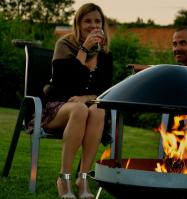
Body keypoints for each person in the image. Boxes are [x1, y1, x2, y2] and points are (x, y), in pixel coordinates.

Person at [43, 3, 113, 198]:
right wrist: (84, 49)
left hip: (86, 108)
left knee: (98, 110)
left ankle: (82, 179)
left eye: (97, 21)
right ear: (78, 23)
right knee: (80, 109)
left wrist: (87, 97)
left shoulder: (105, 54)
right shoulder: (64, 45)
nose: (93, 25)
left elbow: (105, 90)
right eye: (87, 21)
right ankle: (63, 178)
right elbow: (63, 85)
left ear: (103, 24)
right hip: (57, 107)